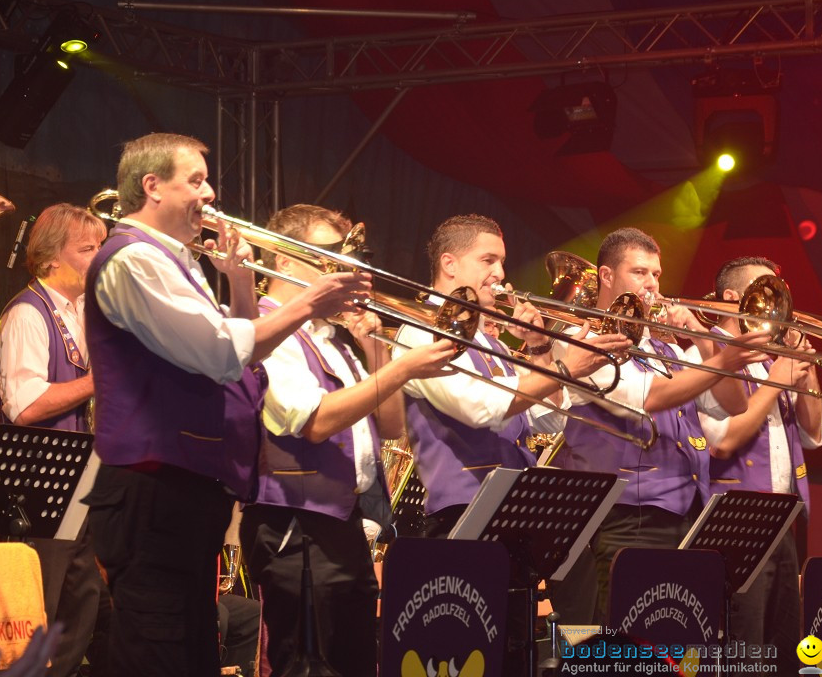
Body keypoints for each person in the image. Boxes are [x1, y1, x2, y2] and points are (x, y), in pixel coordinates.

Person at [82, 133, 370, 677]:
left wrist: (240, 285)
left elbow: (238, 370)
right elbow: (220, 353)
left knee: (188, 655)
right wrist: (310, 301)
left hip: (186, 490)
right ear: (151, 187)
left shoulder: (176, 264)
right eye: (195, 180)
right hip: (152, 489)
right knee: (158, 655)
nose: (210, 193)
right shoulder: (135, 260)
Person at [239, 204, 453, 677]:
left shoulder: (332, 338)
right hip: (294, 522)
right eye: (328, 255)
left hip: (343, 521)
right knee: (305, 666)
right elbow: (313, 422)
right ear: (285, 261)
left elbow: (391, 424)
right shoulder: (266, 331)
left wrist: (378, 350)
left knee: (356, 662)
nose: (345, 269)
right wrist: (404, 366)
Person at [550, 228, 768, 621]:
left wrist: (704, 339)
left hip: (684, 512)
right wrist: (723, 360)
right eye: (639, 272)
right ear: (606, 276)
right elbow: (647, 399)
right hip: (622, 518)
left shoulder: (665, 347)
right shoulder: (581, 339)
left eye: (656, 274)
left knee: (670, 641)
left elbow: (733, 404)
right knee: (618, 644)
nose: (652, 284)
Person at [396, 214, 629, 538]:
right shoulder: (420, 332)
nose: (501, 274)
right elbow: (477, 407)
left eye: (502, 262)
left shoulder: (492, 344)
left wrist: (537, 346)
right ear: (449, 264)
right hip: (462, 514)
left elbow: (548, 420)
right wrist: (566, 368)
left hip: (512, 507)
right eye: (488, 260)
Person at [0, 203, 107, 677]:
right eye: (87, 249)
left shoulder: (82, 310)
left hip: (81, 486)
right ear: (47, 260)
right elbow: (24, 405)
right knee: (41, 609)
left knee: (83, 604)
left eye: (101, 245)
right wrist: (100, 380)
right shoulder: (27, 313)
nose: (100, 257)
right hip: (37, 490)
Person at [700, 256, 822, 675]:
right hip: (736, 518)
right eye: (764, 290)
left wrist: (804, 374)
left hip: (782, 517)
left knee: (785, 642)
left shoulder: (772, 357)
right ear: (733, 298)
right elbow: (724, 439)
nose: (778, 301)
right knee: (746, 646)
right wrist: (778, 380)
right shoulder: (708, 348)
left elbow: (811, 434)